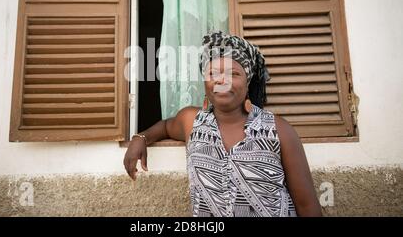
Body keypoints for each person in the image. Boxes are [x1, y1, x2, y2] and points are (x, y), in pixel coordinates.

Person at [123, 31, 322, 217]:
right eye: (213, 73)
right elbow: (166, 126)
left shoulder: (278, 130)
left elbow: (307, 206)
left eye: (234, 74)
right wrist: (141, 138)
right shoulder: (192, 121)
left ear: (248, 81)